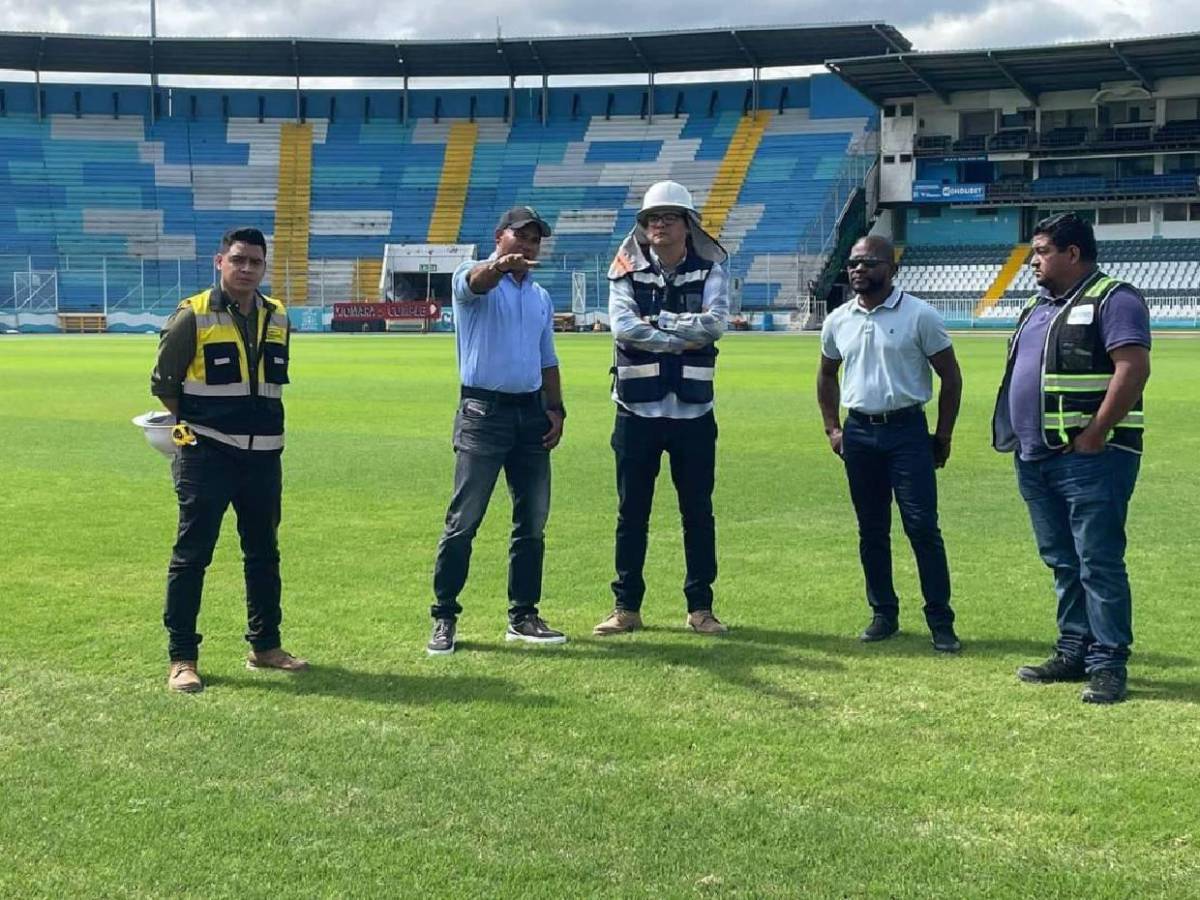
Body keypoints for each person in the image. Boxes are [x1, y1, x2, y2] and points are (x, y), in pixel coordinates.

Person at [993, 212, 1151, 704]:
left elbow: (1133, 368)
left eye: (1041, 251)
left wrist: (1096, 433)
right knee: (1062, 560)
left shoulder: (1114, 298)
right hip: (1036, 456)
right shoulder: (1038, 307)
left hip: (1092, 457)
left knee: (1097, 560)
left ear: (1073, 253)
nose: (1032, 261)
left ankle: (1108, 662)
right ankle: (1074, 649)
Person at [150, 227, 307, 693]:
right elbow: (164, 383)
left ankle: (266, 645)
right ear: (220, 261)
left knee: (263, 555)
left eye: (255, 262)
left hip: (264, 458)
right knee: (192, 556)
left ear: (264, 267)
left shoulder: (278, 317)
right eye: (238, 260)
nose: (246, 268)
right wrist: (192, 434)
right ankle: (182, 657)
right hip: (207, 454)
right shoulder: (191, 316)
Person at [427, 206, 567, 655]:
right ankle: (444, 616)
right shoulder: (472, 276)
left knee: (532, 522)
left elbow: (547, 359)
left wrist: (556, 408)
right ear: (499, 235)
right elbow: (476, 282)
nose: (527, 244)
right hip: (483, 412)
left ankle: (523, 615)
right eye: (520, 235)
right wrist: (499, 266)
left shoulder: (539, 296)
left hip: (530, 414)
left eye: (534, 238)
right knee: (464, 521)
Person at [593, 180, 729, 637]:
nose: (659, 225)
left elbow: (716, 325)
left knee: (698, 512)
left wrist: (665, 324)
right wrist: (681, 337)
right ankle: (626, 607)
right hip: (636, 410)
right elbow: (624, 328)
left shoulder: (711, 268)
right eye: (652, 218)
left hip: (693, 412)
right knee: (631, 513)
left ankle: (701, 608)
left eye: (669, 217)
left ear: (688, 224)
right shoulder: (625, 269)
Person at [817, 235, 963, 652]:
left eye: (869, 262)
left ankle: (941, 620)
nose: (858, 269)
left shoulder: (921, 315)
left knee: (922, 527)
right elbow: (827, 374)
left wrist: (943, 434)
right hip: (859, 432)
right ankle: (883, 613)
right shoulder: (838, 319)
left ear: (891, 268)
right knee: (872, 529)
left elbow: (950, 378)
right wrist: (833, 428)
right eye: (853, 263)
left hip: (907, 432)